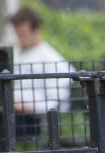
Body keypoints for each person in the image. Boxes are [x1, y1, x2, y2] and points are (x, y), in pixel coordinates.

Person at [8, 8, 74, 139]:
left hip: (34, 122)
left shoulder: (51, 59)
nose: (19, 39)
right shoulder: (16, 53)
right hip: (14, 114)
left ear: (36, 30)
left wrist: (26, 107)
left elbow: (57, 104)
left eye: (23, 34)